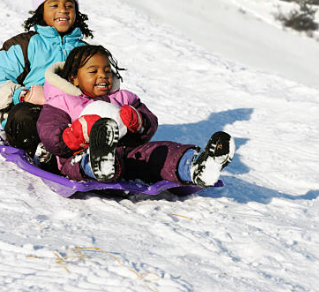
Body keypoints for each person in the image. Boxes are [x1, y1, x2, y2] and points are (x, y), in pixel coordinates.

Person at [37, 44, 235, 188]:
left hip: (127, 153)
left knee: (160, 152)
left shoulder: (123, 97)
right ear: (74, 78)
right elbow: (50, 135)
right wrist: (78, 134)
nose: (103, 76)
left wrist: (138, 121)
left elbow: (150, 123)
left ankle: (195, 167)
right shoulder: (62, 101)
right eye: (93, 71)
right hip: (76, 157)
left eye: (107, 70)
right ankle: (99, 164)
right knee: (82, 161)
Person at [0, 0, 94, 157]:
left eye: (69, 5)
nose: (63, 9)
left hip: (69, 113)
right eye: (54, 4)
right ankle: (43, 150)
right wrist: (23, 94)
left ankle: (95, 155)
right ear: (41, 11)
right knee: (23, 116)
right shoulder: (25, 45)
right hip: (33, 110)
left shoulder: (84, 51)